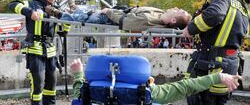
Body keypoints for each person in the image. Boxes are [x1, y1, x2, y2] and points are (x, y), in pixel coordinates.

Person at [182, 0, 250, 105]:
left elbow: (215, 15)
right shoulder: (243, 6)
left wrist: (190, 29)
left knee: (197, 98)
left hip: (209, 63)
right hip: (229, 63)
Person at [8, 0, 71, 105]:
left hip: (51, 51)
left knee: (51, 86)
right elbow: (12, 4)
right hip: (34, 50)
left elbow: (63, 33)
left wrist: (66, 21)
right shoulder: (31, 4)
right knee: (38, 85)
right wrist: (29, 13)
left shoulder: (56, 9)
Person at [70, 58, 241, 104]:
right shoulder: (147, 93)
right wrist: (218, 77)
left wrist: (78, 74)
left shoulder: (89, 91)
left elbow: (77, 94)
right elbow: (185, 86)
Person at [45, 5, 192, 31]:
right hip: (118, 12)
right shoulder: (160, 12)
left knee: (83, 18)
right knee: (83, 13)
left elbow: (126, 21)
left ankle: (59, 14)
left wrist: (108, 11)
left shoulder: (151, 20)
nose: (177, 8)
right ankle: (72, 9)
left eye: (179, 11)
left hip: (110, 18)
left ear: (173, 20)